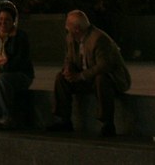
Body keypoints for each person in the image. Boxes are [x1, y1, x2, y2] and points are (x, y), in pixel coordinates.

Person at [47, 9, 131, 137]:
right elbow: (69, 57)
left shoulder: (99, 39)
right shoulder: (70, 38)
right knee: (61, 78)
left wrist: (80, 76)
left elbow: (104, 66)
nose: (66, 29)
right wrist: (68, 69)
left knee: (101, 79)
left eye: (68, 26)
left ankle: (107, 123)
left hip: (111, 78)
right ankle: (64, 120)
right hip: (86, 76)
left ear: (77, 29)